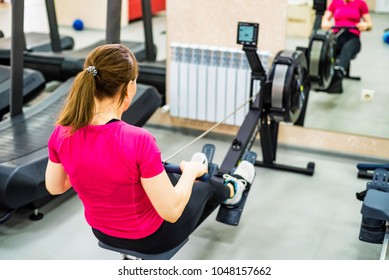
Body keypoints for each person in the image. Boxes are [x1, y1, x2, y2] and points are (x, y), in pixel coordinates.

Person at [45, 44, 256, 254]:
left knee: (168, 179)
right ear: (129, 88)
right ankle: (233, 189)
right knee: (205, 185)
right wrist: (191, 171)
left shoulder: (62, 132)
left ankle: (204, 179)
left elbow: (55, 187)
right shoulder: (138, 139)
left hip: (102, 232)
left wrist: (91, 167)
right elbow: (172, 212)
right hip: (152, 239)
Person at [321, 0, 372, 93]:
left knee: (346, 49)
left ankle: (339, 73)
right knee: (327, 49)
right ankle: (324, 75)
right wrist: (325, 23)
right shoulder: (335, 2)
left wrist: (366, 25)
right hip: (338, 35)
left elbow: (369, 24)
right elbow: (325, 19)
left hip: (353, 37)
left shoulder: (360, 3)